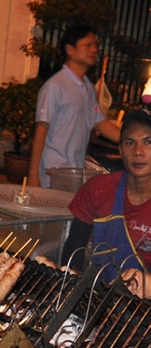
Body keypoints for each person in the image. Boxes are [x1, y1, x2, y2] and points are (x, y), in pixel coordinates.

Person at [61, 108, 151, 296]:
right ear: (120, 150)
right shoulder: (98, 189)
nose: (138, 152)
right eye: (129, 143)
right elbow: (74, 247)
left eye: (148, 142)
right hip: (101, 298)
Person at [28, 24, 121, 188]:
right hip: (54, 172)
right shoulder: (55, 86)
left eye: (96, 45)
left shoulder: (87, 87)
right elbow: (41, 130)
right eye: (88, 45)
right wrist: (33, 175)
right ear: (69, 50)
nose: (94, 50)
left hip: (76, 171)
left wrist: (133, 140)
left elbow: (101, 123)